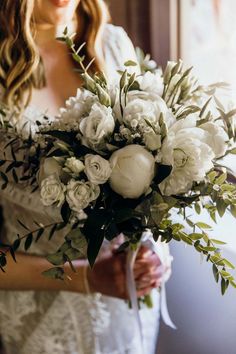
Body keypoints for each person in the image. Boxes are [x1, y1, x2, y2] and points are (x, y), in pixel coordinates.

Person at [0, 1, 172, 353]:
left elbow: (151, 170)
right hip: (42, 317)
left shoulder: (111, 44)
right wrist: (87, 277)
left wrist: (153, 249)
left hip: (125, 308)